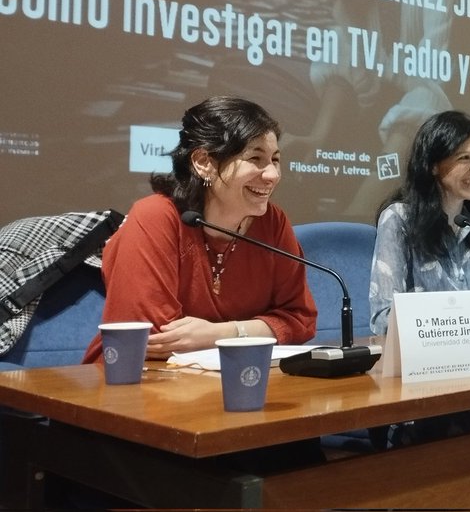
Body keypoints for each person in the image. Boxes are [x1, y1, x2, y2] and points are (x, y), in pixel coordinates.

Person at [83, 96, 317, 363]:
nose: (273, 175)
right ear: (203, 162)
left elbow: (300, 320)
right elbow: (156, 340)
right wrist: (258, 331)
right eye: (255, 158)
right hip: (136, 380)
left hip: (233, 377)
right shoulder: (155, 217)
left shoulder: (272, 222)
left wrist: (221, 333)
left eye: (275, 160)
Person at [369, 111, 470, 334]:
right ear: (433, 165)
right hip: (427, 361)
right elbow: (384, 319)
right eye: (464, 158)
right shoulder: (398, 219)